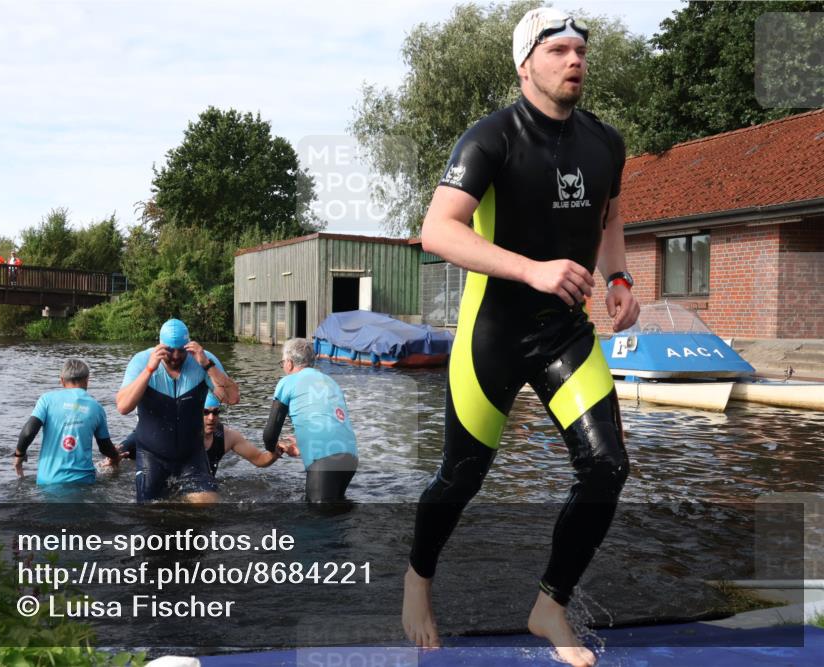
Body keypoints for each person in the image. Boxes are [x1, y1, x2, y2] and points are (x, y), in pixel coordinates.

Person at [401, 9, 641, 666]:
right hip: (493, 334)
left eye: (581, 50)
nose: (575, 60)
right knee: (461, 476)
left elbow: (613, 215)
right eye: (559, 49)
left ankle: (550, 604)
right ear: (524, 63)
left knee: (607, 466)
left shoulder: (605, 144)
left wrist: (616, 274)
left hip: (566, 332)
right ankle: (418, 578)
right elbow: (439, 231)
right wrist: (532, 269)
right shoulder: (490, 138)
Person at [115, 318, 240, 502]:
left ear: (188, 346)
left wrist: (207, 365)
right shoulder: (141, 361)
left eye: (181, 350)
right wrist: (149, 369)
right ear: (160, 346)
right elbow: (123, 407)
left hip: (191, 454)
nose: (175, 356)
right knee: (148, 513)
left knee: (209, 505)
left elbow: (232, 398)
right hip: (152, 454)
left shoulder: (204, 360)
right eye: (169, 351)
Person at [262, 338, 358, 502]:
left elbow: (270, 434)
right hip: (351, 457)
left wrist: (274, 448)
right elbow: (329, 422)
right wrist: (303, 444)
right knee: (337, 514)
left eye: (282, 362)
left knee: (316, 521)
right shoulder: (331, 382)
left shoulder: (288, 382)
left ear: (290, 363)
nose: (283, 367)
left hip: (325, 460)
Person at [114, 393, 300, 476]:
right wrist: (115, 458)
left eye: (215, 412)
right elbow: (140, 438)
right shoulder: (175, 431)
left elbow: (260, 459)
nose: (211, 418)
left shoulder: (227, 437)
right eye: (205, 413)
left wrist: (277, 451)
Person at [13, 359, 120, 484]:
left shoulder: (46, 400)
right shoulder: (96, 407)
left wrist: (19, 456)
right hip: (83, 482)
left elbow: (28, 432)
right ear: (87, 380)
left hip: (48, 481)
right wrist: (116, 457)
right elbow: (105, 447)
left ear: (62, 380)